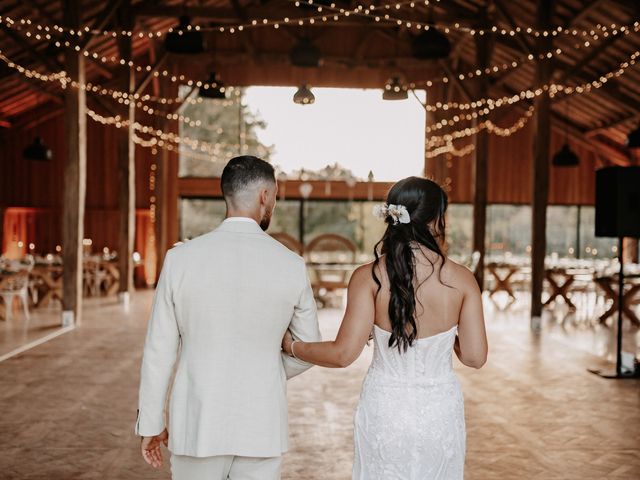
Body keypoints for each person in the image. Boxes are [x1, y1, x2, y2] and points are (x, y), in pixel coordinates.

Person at [282, 176, 487, 480]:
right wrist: (448, 334)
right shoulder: (461, 279)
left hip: (384, 407)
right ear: (438, 218)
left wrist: (291, 346)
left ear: (393, 217)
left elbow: (342, 354)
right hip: (439, 410)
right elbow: (474, 356)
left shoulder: (368, 277)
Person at [135, 155, 321, 480]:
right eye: (274, 196)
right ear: (266, 195)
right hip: (261, 425)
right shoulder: (290, 265)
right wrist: (267, 368)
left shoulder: (180, 260)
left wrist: (151, 424)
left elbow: (158, 352)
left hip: (196, 424)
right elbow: (309, 348)